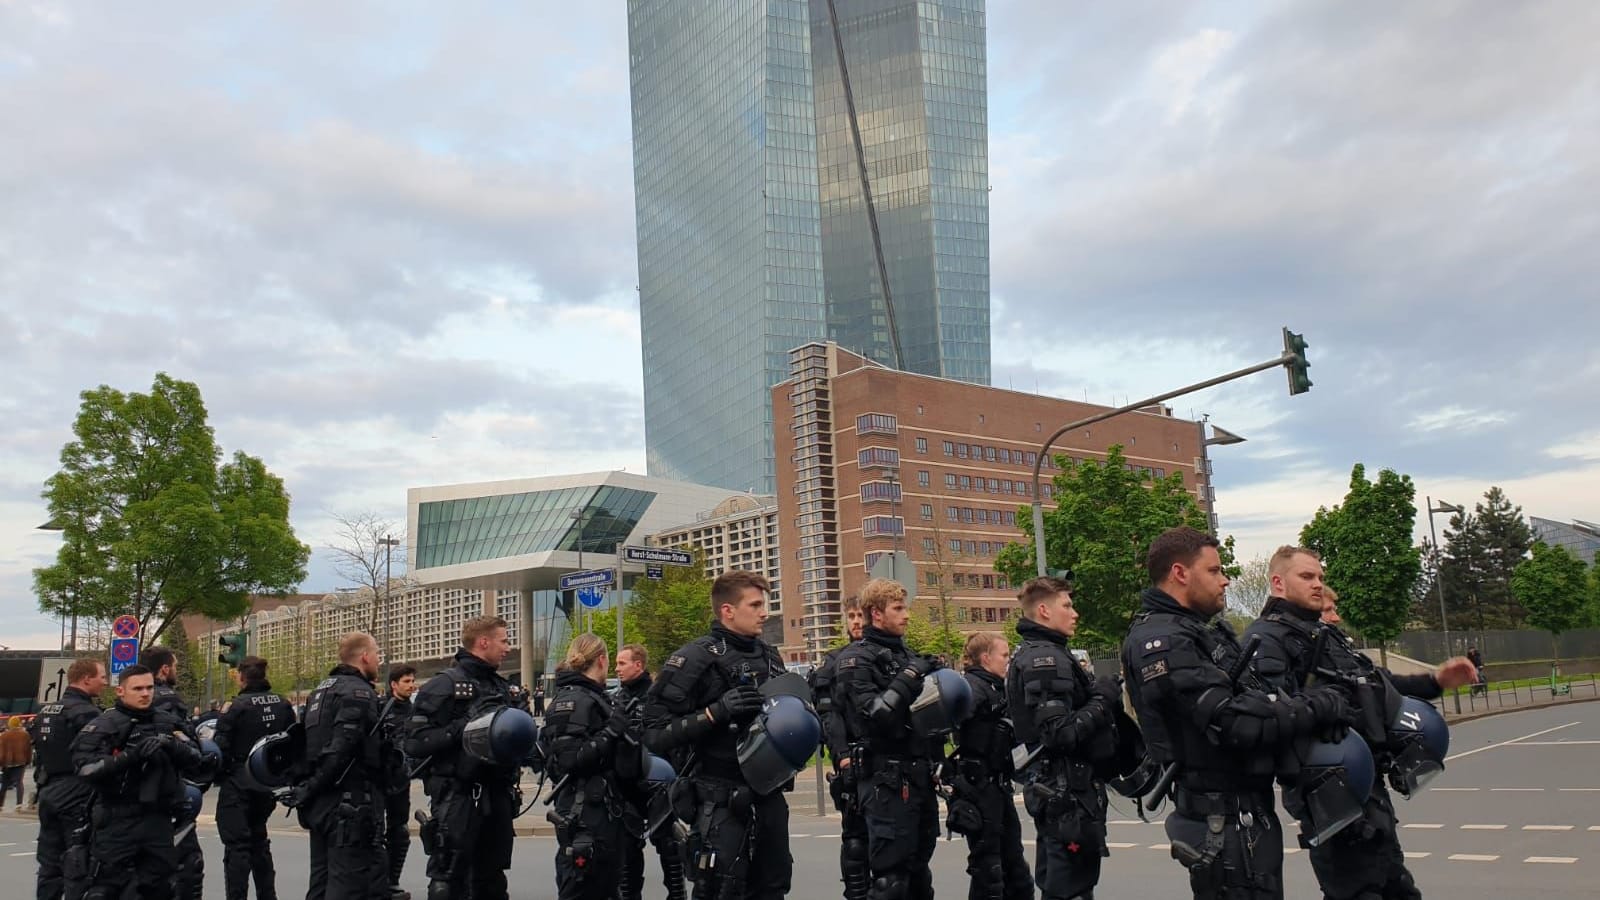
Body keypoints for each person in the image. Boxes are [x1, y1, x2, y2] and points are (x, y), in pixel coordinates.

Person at [1122, 527, 1353, 900]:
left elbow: (1258, 695)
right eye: (1214, 571)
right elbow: (1236, 722)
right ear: (1181, 573)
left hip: (1245, 813)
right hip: (1222, 820)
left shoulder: (1199, 633)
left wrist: (1285, 706)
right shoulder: (1163, 641)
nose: (1225, 580)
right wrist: (1317, 705)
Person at [1246, 547, 1476, 900]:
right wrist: (1327, 707)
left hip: (1369, 788)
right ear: (1278, 583)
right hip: (1329, 793)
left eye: (1320, 577)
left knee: (1397, 889)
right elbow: (1268, 712)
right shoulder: (1266, 639)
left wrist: (1436, 682)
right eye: (1307, 577)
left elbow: (1375, 685)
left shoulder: (1322, 633)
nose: (1318, 585)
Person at [643, 570, 791, 900]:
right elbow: (653, 734)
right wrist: (714, 713)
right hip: (719, 800)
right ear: (727, 610)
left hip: (768, 798)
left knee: (773, 889)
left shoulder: (770, 656)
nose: (764, 612)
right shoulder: (694, 659)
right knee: (723, 890)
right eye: (754, 605)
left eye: (763, 604)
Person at [1008, 577, 1121, 900]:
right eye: (1067, 605)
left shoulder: (1045, 652)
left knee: (1071, 885)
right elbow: (1061, 734)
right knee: (1069, 887)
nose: (1075, 613)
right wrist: (1103, 699)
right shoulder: (1046, 659)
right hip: (1064, 793)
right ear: (1043, 610)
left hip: (1062, 792)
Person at [831, 578, 942, 900]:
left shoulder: (907, 654)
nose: (906, 615)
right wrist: (910, 676)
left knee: (919, 875)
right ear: (876, 614)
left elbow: (927, 717)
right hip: (885, 781)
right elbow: (876, 715)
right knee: (890, 880)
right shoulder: (856, 659)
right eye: (898, 608)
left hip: (918, 774)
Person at [405, 615, 528, 900]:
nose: (508, 648)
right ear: (483, 642)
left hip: (497, 796)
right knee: (448, 881)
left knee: (492, 881)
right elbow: (413, 742)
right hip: (457, 797)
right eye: (504, 640)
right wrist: (465, 729)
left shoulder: (501, 687)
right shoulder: (444, 685)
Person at [71, 664, 208, 900]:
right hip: (117, 820)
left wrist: (173, 746)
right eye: (137, 688)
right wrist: (130, 757)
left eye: (149, 687)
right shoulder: (105, 725)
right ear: (120, 691)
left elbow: (199, 762)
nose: (145, 693)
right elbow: (85, 768)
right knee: (109, 888)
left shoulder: (168, 723)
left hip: (159, 819)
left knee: (163, 886)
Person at [282, 632, 387, 900]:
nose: (379, 660)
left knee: (320, 880)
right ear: (364, 656)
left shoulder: (321, 690)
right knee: (348, 885)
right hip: (348, 800)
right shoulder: (358, 692)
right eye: (376, 653)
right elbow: (342, 748)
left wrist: (308, 788)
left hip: (322, 801)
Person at [546, 634, 637, 899]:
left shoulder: (596, 698)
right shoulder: (573, 701)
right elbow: (569, 761)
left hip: (605, 813)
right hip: (584, 814)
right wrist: (611, 732)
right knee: (581, 888)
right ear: (601, 659)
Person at [954, 631, 1033, 900]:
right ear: (986, 658)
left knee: (1016, 872)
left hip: (999, 787)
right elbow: (958, 720)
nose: (1007, 661)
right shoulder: (973, 687)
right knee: (989, 873)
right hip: (979, 789)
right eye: (1004, 655)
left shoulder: (998, 686)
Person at [213, 656, 295, 900]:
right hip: (267, 783)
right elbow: (292, 741)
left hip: (239, 784)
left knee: (237, 848)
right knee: (259, 843)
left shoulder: (236, 706)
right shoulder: (282, 704)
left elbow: (220, 746)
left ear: (241, 676)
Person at [808, 594, 869, 900]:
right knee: (856, 842)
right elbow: (829, 715)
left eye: (861, 615)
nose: (857, 622)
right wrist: (842, 756)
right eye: (852, 616)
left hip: (888, 761)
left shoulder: (890, 655)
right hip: (852, 762)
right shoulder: (833, 663)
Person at [614, 643, 686, 900]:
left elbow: (673, 737)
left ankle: (677, 896)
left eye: (622, 663)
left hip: (659, 783)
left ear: (638, 665)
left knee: (669, 847)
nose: (617, 668)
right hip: (627, 786)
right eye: (616, 663)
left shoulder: (659, 697)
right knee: (628, 852)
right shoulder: (617, 699)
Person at [31, 657, 107, 900]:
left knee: (49, 865)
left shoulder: (45, 711)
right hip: (76, 793)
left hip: (48, 791)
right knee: (77, 863)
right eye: (102, 677)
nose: (105, 682)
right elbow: (97, 756)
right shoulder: (87, 713)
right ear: (86, 679)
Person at [140, 645, 205, 900]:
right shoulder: (169, 699)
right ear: (164, 669)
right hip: (168, 793)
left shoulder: (126, 702)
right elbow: (185, 746)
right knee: (186, 866)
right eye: (175, 666)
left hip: (135, 800)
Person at [382, 665, 418, 900]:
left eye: (412, 681)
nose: (411, 685)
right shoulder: (381, 709)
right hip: (379, 779)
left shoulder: (416, 710)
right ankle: (377, 881)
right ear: (394, 685)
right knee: (373, 832)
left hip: (401, 782)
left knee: (399, 832)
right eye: (406, 681)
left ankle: (392, 881)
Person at [1, 715, 32, 810]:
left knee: (4, 785)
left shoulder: (4, 736)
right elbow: (28, 749)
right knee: (19, 783)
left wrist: (1, 763)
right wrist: (28, 760)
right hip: (20, 761)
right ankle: (19, 804)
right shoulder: (25, 734)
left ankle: (0, 804)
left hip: (7, 762)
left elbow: (1, 751)